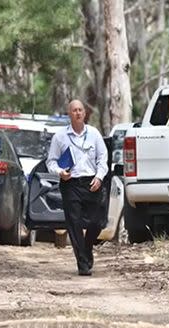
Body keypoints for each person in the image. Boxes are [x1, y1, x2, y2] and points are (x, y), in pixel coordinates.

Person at [46, 100, 108, 276]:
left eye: (81, 110)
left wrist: (99, 177)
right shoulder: (60, 136)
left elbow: (102, 158)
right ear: (69, 114)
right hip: (71, 183)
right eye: (74, 110)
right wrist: (60, 172)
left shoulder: (94, 134)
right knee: (74, 223)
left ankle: (87, 248)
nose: (78, 113)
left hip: (91, 182)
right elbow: (51, 161)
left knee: (97, 222)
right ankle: (83, 263)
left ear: (85, 113)